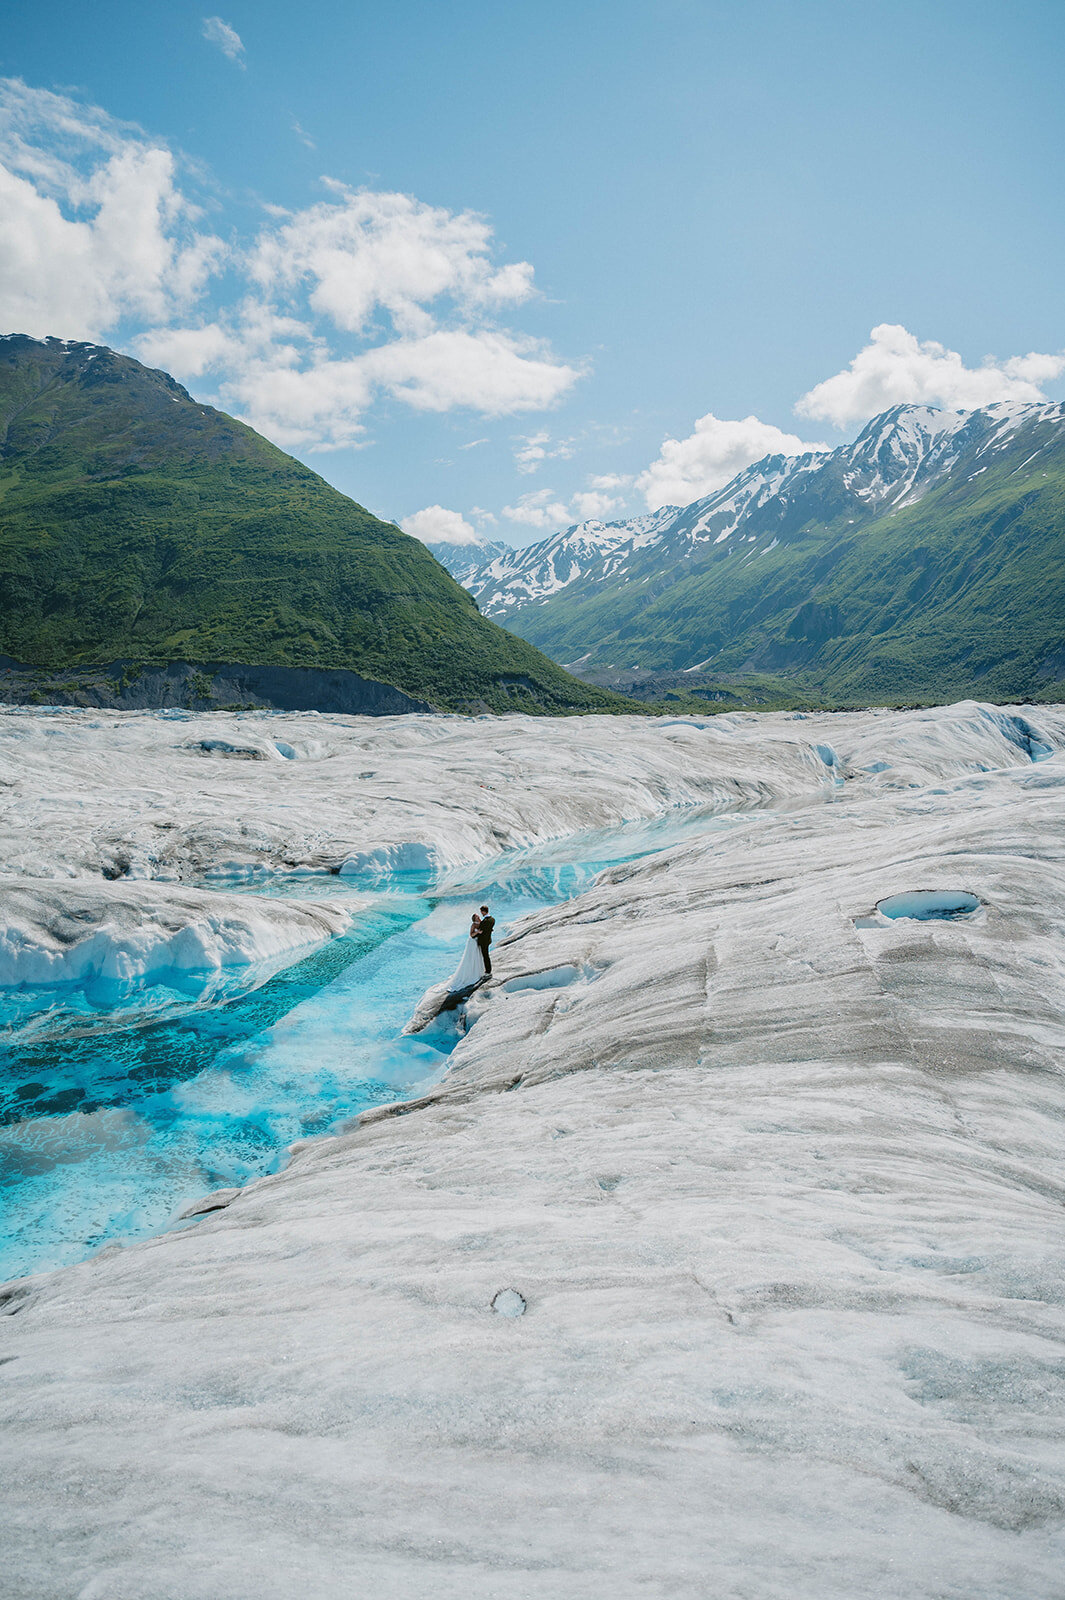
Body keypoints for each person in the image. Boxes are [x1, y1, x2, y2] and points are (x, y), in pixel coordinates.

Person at [445, 909, 488, 991]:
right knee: (472, 956)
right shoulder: (473, 925)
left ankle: (479, 971)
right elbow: (471, 935)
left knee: (478, 956)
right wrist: (477, 932)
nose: (478, 917)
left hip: (478, 941)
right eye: (476, 917)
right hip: (472, 942)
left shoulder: (482, 922)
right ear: (474, 919)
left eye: (478, 916)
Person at [476, 904, 495, 976]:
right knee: (486, 955)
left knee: (485, 956)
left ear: (483, 912)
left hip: (483, 941)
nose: (481, 913)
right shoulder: (492, 919)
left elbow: (481, 931)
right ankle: (487, 969)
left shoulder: (485, 921)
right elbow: (489, 929)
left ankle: (488, 971)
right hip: (488, 940)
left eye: (481, 912)